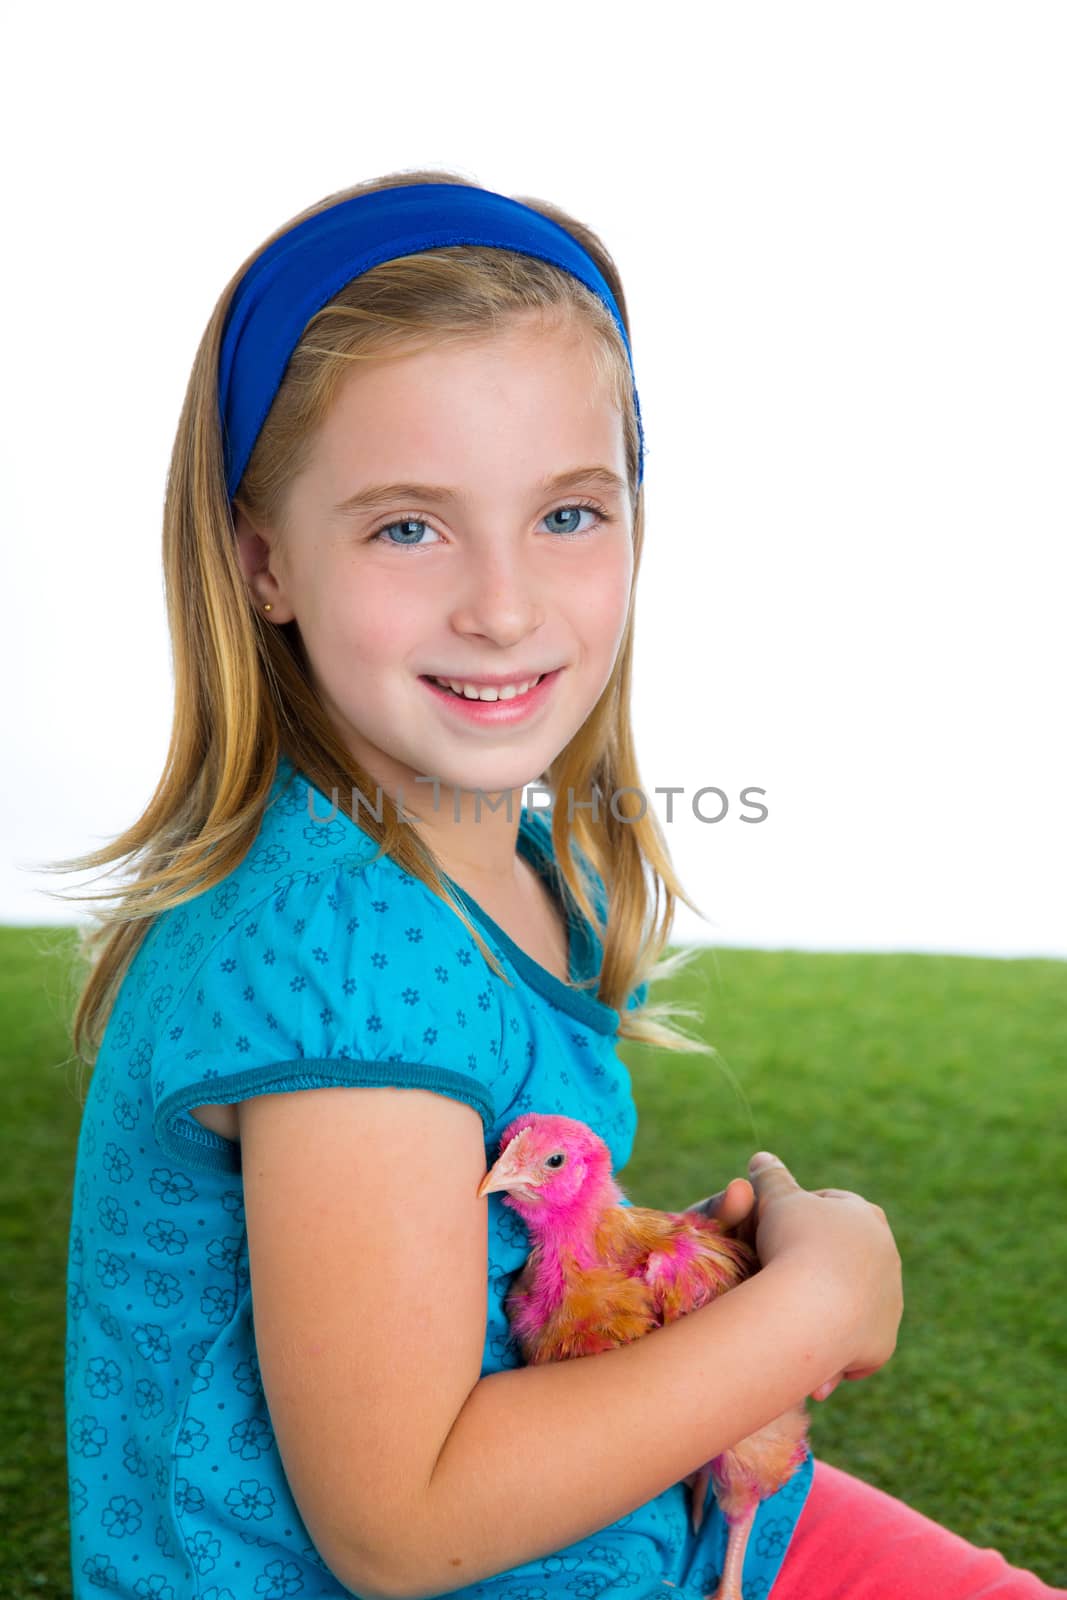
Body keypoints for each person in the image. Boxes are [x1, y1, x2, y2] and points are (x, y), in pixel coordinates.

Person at [56, 170, 1063, 1600]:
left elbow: (477, 1271)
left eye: (569, 517)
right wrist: (813, 1308)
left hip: (663, 1529)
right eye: (410, 526)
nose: (505, 604)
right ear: (264, 559)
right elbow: (400, 1525)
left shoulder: (518, 869)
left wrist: (665, 1275)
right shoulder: (339, 950)